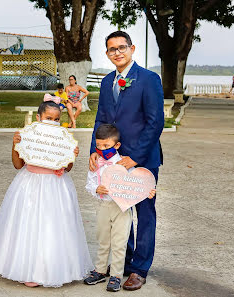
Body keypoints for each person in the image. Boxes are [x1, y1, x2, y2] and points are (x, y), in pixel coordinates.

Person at [0, 100, 94, 288]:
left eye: (56, 119)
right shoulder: (28, 135)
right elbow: (18, 165)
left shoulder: (63, 138)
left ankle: (53, 268)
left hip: (56, 186)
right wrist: (15, 144)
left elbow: (68, 168)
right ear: (38, 117)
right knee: (29, 224)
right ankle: (27, 269)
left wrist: (71, 155)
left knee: (53, 226)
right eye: (48, 118)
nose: (52, 121)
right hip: (30, 184)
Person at [89, 31, 164, 291]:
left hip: (143, 159)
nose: (117, 52)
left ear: (132, 49)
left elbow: (156, 122)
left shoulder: (149, 79)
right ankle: (125, 261)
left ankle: (139, 269)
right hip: (113, 160)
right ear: (107, 53)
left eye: (122, 47)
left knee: (144, 214)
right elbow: (101, 119)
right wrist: (94, 150)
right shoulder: (107, 81)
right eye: (112, 49)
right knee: (119, 209)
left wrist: (136, 157)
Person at [83, 124, 156, 292]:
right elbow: (90, 183)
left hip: (122, 209)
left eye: (106, 146)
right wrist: (96, 189)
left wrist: (148, 192)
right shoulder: (97, 163)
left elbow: (136, 185)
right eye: (98, 146)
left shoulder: (124, 164)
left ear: (116, 145)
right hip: (103, 206)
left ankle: (116, 274)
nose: (102, 149)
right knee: (102, 239)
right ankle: (100, 270)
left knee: (119, 242)